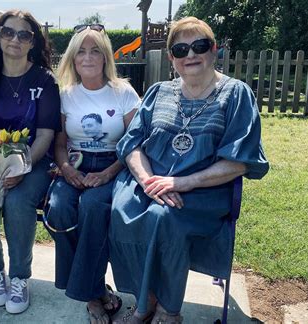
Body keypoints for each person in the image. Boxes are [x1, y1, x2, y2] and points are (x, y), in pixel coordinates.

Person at [108, 17, 269, 323]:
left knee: (163, 218)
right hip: (150, 182)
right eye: (180, 49)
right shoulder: (158, 92)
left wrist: (182, 183)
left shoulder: (236, 94)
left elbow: (240, 160)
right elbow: (132, 145)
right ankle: (147, 299)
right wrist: (147, 181)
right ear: (171, 57)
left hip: (203, 191)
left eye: (200, 45)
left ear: (214, 49)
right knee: (119, 210)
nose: (190, 55)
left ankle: (168, 310)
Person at [0, 10, 61, 314]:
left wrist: (20, 167)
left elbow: (46, 135)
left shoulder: (45, 81)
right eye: (8, 32)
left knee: (18, 202)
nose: (15, 40)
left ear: (33, 42)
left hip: (34, 162)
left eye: (24, 34)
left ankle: (19, 277)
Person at [45, 23, 141, 324]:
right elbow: (60, 143)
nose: (88, 57)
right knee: (59, 209)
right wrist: (66, 168)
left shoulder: (123, 92)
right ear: (73, 59)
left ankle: (90, 296)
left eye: (95, 51)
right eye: (81, 52)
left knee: (92, 206)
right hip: (74, 163)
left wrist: (110, 172)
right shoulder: (66, 95)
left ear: (105, 57)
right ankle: (97, 290)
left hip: (115, 164)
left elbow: (135, 142)